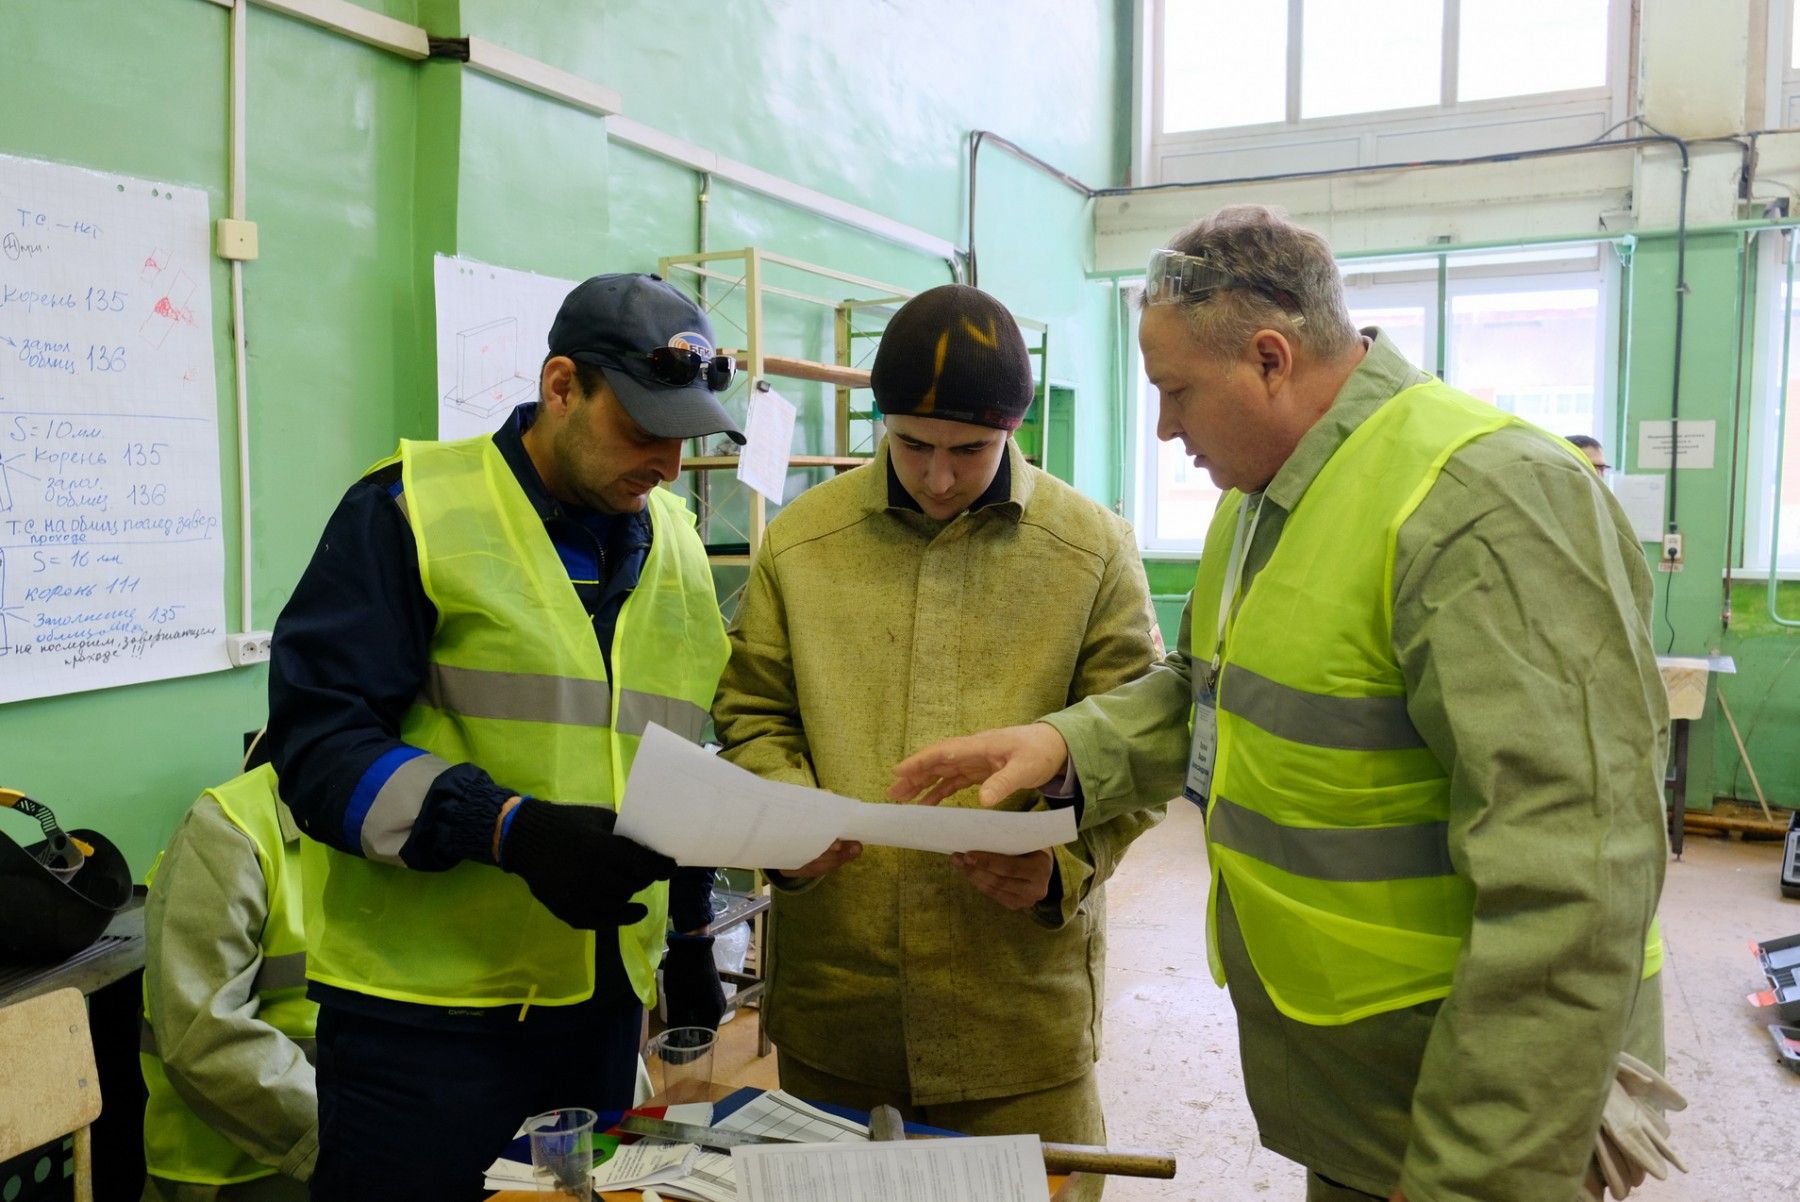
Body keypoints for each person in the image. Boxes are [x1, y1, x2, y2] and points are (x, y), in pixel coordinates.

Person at [890, 207, 1673, 1202]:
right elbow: (1211, 694)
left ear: (1269, 359)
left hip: (1476, 1093)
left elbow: (1574, 879)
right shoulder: (1267, 495)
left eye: (1175, 392)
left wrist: (1480, 1174)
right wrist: (1063, 743)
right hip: (1360, 1078)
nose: (1166, 427)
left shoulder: (1485, 501)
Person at [265, 273, 740, 1202]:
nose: (668, 469)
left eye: (684, 443)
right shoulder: (410, 513)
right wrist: (507, 829)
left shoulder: (677, 542)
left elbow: (672, 752)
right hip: (424, 1031)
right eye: (643, 432)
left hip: (599, 1015)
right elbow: (318, 750)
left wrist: (689, 935)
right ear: (562, 387)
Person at [712, 283, 1164, 1200]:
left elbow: (1142, 746)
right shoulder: (803, 544)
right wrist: (787, 823)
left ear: (1014, 432)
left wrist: (1065, 869)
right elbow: (753, 712)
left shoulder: (1092, 550)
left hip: (1015, 1018)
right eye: (913, 444)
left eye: (971, 449)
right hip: (840, 1014)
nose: (941, 475)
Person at [139, 734, 315, 1202]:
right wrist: (359, 1142)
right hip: (241, 1174)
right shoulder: (226, 833)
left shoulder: (414, 829)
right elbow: (205, 1040)